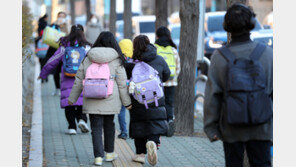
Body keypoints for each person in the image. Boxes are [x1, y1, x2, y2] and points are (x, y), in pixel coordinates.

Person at [203, 3, 273, 167]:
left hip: (231, 126)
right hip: (262, 125)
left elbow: (212, 96)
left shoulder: (219, 57)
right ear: (252, 24)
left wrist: (211, 128)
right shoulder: (267, 54)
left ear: (226, 26)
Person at [68, 31, 132, 166]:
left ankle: (98, 157)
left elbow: (79, 79)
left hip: (91, 97)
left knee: (96, 128)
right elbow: (122, 84)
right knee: (110, 126)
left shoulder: (88, 57)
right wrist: (127, 103)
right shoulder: (116, 59)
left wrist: (72, 99)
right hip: (110, 98)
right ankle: (109, 153)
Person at [125, 35, 170, 165]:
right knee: (155, 123)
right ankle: (153, 143)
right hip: (156, 99)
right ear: (149, 44)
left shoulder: (132, 63)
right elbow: (166, 75)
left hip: (139, 100)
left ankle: (140, 154)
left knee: (139, 125)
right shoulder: (159, 59)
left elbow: (125, 81)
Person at [38, 24, 91, 135]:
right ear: (83, 33)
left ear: (70, 32)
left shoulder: (64, 46)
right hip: (82, 79)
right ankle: (82, 120)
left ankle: (72, 127)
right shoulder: (86, 47)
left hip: (67, 78)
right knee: (82, 102)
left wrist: (43, 74)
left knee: (69, 103)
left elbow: (52, 61)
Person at [154, 26, 181, 137]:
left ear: (157, 36)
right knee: (169, 103)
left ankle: (159, 125)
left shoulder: (154, 48)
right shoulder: (173, 50)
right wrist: (173, 78)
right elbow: (178, 67)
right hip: (171, 82)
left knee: (158, 103)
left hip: (157, 82)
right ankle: (169, 121)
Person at [44, 11, 70, 95]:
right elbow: (48, 35)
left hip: (65, 52)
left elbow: (69, 36)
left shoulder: (68, 26)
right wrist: (55, 25)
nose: (61, 18)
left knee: (64, 72)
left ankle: (64, 89)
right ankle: (57, 88)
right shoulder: (53, 25)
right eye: (59, 16)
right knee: (55, 72)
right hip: (54, 51)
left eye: (63, 16)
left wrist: (66, 26)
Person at [116, 39, 134, 140]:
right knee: (132, 111)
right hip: (132, 89)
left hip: (121, 88)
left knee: (121, 111)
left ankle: (124, 132)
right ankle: (132, 132)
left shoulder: (119, 60)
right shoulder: (134, 60)